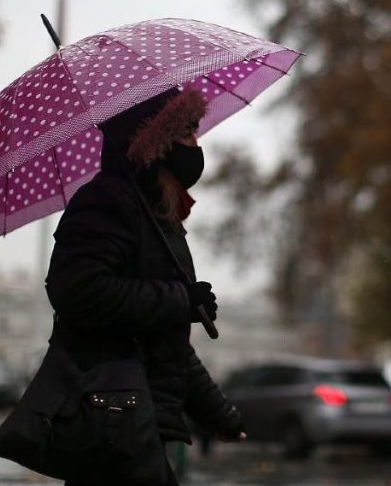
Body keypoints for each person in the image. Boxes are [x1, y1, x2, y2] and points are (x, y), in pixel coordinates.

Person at [45, 88, 246, 486]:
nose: (195, 144)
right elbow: (77, 291)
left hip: (137, 423)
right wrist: (179, 300)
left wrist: (219, 415)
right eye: (186, 132)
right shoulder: (107, 202)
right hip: (113, 421)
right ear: (153, 142)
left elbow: (168, 347)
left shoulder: (154, 213)